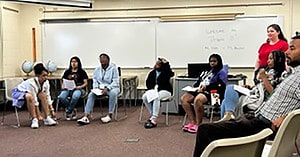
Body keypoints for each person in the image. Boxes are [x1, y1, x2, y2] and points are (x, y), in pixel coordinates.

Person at [193, 33, 300, 157]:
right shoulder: (293, 73)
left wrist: (286, 117)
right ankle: (229, 114)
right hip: (256, 116)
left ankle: (229, 114)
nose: (286, 52)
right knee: (231, 91)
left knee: (204, 130)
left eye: (292, 48)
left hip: (262, 125)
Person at [219, 50, 286, 121]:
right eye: (268, 58)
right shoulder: (270, 71)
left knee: (230, 88)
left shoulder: (283, 76)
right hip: (254, 93)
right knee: (225, 100)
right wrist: (251, 87)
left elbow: (273, 94)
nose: (268, 61)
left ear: (279, 59)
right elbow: (261, 86)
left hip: (261, 100)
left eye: (271, 58)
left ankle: (227, 119)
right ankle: (227, 118)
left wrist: (264, 78)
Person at [181, 54, 227, 134]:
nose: (212, 63)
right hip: (200, 90)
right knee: (184, 99)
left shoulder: (221, 72)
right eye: (211, 61)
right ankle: (193, 122)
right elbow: (200, 81)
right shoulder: (207, 71)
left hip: (213, 93)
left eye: (214, 61)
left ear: (218, 62)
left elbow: (220, 86)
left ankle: (199, 125)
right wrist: (194, 86)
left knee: (198, 100)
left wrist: (206, 87)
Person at [77, 53, 120, 125]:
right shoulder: (97, 69)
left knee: (113, 93)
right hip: (100, 89)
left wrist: (108, 88)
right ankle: (86, 116)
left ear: (108, 60)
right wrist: (96, 88)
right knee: (91, 95)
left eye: (104, 58)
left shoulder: (114, 69)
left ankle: (110, 115)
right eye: (100, 58)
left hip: (112, 88)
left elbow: (115, 81)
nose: (102, 60)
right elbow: (95, 80)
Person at [11, 63, 57, 129]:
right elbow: (35, 100)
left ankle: (47, 117)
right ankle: (34, 119)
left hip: (34, 93)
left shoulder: (46, 82)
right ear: (38, 75)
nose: (46, 77)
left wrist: (52, 110)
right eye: (43, 76)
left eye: (47, 75)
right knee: (29, 97)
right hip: (19, 92)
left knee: (43, 95)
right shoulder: (31, 84)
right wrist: (39, 115)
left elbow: (48, 96)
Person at [142, 57, 174, 129]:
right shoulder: (152, 73)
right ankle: (152, 113)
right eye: (156, 64)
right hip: (153, 90)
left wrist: (166, 64)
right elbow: (148, 83)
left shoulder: (165, 72)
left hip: (165, 91)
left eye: (159, 65)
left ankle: (154, 118)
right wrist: (152, 90)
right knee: (144, 97)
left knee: (156, 97)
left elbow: (171, 73)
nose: (157, 66)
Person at [58, 56, 88, 120]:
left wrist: (79, 87)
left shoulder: (82, 72)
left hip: (78, 89)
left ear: (78, 63)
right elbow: (63, 81)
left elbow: (85, 83)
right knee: (61, 96)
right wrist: (63, 86)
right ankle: (72, 109)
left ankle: (68, 111)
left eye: (75, 62)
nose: (73, 63)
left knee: (75, 96)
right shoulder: (67, 72)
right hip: (68, 89)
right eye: (72, 62)